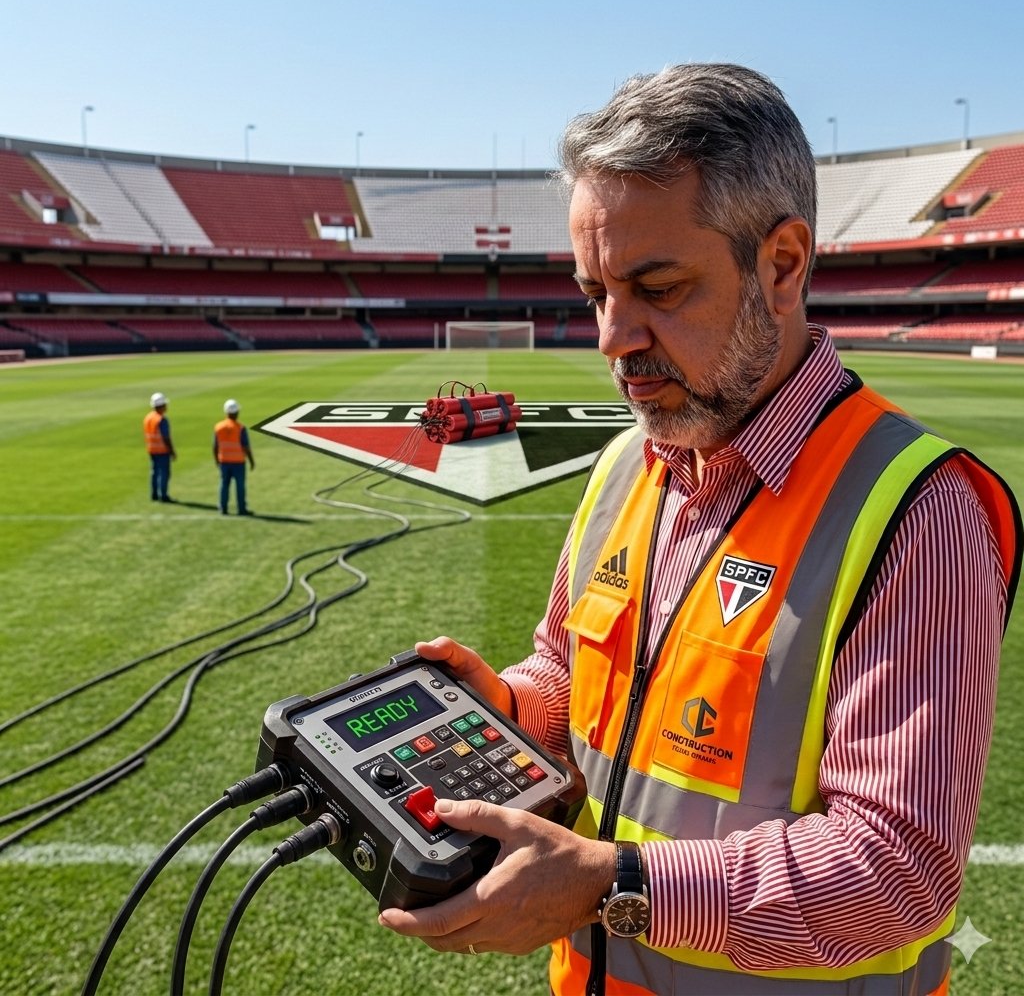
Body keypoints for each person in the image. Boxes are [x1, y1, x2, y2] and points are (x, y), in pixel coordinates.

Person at [377, 64, 1022, 996]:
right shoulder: (622, 470)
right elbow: (571, 673)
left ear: (784, 264)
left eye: (658, 287)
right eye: (596, 291)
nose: (612, 337)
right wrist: (512, 706)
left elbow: (898, 871)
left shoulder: (917, 515)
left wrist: (612, 887)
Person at [213, 398, 254, 515]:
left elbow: (215, 446)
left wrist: (216, 460)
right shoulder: (240, 428)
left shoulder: (218, 427)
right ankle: (241, 509)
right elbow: (246, 446)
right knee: (240, 486)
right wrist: (251, 460)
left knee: (224, 485)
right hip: (238, 462)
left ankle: (223, 508)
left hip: (224, 461)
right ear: (237, 412)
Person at [143, 392, 175, 502]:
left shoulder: (148, 418)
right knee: (164, 473)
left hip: (152, 449)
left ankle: (154, 494)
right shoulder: (161, 420)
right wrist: (172, 451)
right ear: (161, 406)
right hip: (162, 450)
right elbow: (166, 438)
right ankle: (163, 495)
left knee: (154, 472)